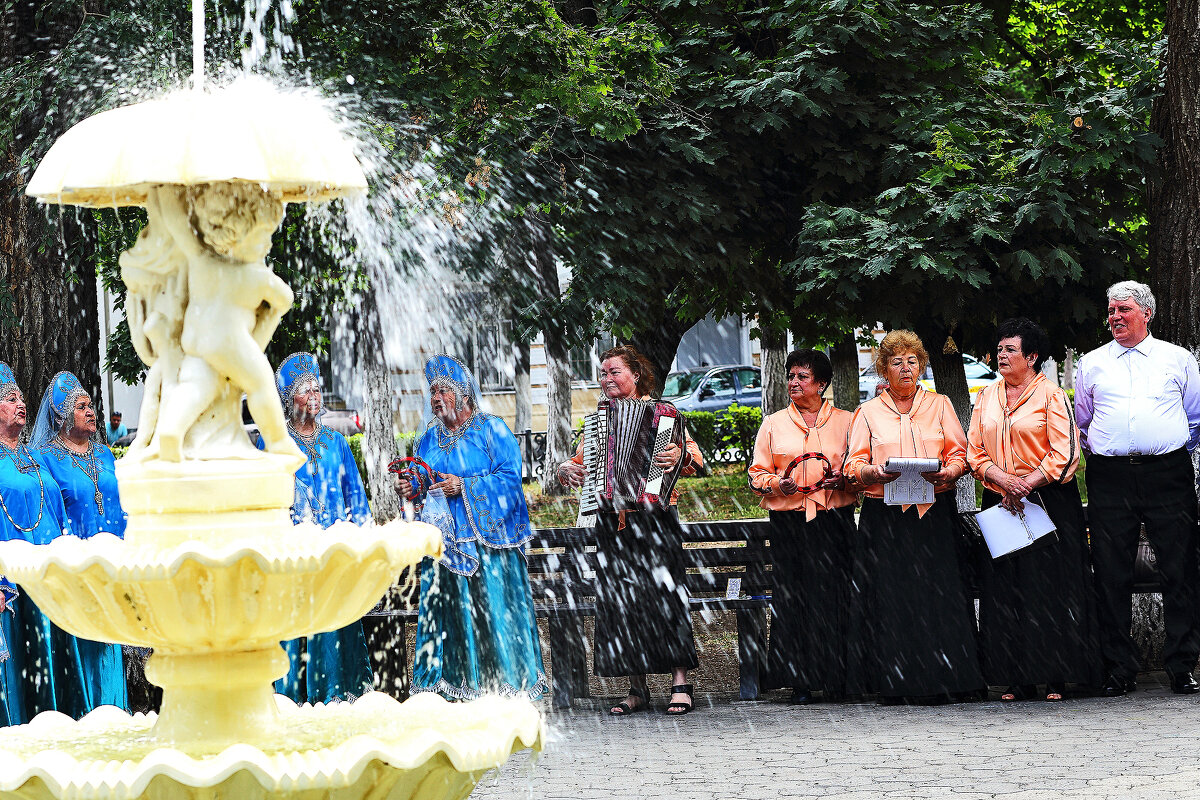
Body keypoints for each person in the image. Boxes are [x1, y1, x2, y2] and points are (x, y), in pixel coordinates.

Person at [557, 345, 703, 715]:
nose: (607, 380)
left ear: (636, 375)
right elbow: (580, 465)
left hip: (654, 520)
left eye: (614, 372)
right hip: (612, 522)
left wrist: (678, 458)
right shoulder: (598, 420)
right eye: (602, 373)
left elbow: (696, 462)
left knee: (665, 598)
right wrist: (566, 470)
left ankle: (680, 683)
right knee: (622, 602)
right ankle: (636, 687)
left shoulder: (663, 415)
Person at [842, 330, 984, 704]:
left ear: (922, 365)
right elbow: (852, 465)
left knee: (940, 595)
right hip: (885, 517)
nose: (906, 369)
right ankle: (896, 681)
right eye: (896, 362)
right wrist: (872, 473)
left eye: (912, 361)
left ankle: (949, 678)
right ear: (883, 370)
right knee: (893, 597)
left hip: (934, 513)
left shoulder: (939, 405)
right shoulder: (867, 412)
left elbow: (960, 453)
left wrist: (951, 471)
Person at [1075, 281, 1200, 696]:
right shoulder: (1092, 362)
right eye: (1110, 310)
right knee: (1110, 572)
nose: (1114, 317)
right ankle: (1119, 669)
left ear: (1146, 313)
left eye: (1123, 310)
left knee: (1179, 567)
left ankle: (1182, 667)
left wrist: (1160, 446)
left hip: (1168, 473)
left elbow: (1194, 418)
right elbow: (1084, 420)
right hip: (1110, 476)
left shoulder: (1177, 358)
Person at [397, 354, 545, 701]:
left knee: (491, 617)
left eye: (442, 391)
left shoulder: (491, 429)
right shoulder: (429, 439)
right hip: (445, 551)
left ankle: (503, 689)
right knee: (453, 621)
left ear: (463, 394)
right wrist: (411, 488)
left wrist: (463, 486)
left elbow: (510, 483)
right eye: (432, 391)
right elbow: (423, 483)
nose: (435, 398)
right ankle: (454, 691)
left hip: (488, 547)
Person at [967, 319, 1101, 702]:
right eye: (1000, 348)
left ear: (1032, 356)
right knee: (1006, 588)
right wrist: (1001, 479)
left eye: (1011, 349)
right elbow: (974, 450)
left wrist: (1027, 482)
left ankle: (1056, 675)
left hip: (1047, 499)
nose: (1002, 355)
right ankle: (1015, 677)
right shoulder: (987, 396)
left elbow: (1066, 453)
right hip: (1001, 498)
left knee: (1049, 588)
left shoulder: (1051, 395)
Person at [263, 352, 373, 704]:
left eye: (317, 388)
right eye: (305, 390)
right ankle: (293, 704)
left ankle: (337, 699)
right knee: (295, 629)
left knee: (333, 629)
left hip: (333, 557)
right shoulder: (275, 447)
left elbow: (356, 498)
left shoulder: (337, 443)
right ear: (288, 399)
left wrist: (363, 543)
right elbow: (266, 504)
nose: (314, 395)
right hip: (292, 560)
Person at [748, 349, 855, 705]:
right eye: (791, 376)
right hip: (789, 522)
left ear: (821, 384)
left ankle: (838, 678)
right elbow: (755, 476)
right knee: (793, 595)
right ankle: (799, 680)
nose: (794, 383)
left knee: (835, 596)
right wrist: (779, 483)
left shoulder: (847, 421)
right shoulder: (773, 423)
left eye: (802, 377)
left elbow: (858, 468)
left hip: (833, 521)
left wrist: (845, 481)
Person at [28, 371, 129, 715]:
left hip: (113, 565)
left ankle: (118, 721)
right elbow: (52, 513)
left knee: (111, 646)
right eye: (81, 407)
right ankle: (87, 722)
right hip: (78, 570)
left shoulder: (105, 454)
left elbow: (121, 506)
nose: (91, 412)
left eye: (91, 405)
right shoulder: (46, 458)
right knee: (84, 644)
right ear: (62, 416)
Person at [0, 362, 74, 726]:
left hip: (50, 577)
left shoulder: (32, 456)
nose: (20, 404)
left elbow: (58, 513)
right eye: (10, 399)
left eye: (21, 398)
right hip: (13, 583)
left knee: (53, 664)